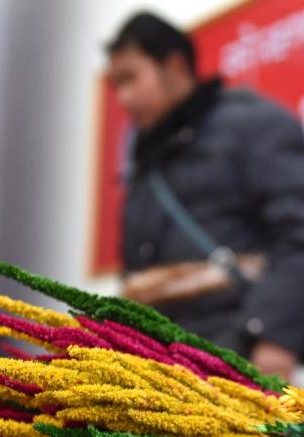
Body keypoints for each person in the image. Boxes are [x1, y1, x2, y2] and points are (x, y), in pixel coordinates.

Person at [107, 12, 304, 380]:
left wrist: (274, 337)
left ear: (175, 65)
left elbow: (298, 233)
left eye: (131, 78)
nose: (124, 97)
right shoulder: (146, 167)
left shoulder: (251, 125)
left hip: (235, 363)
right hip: (157, 373)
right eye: (116, 85)